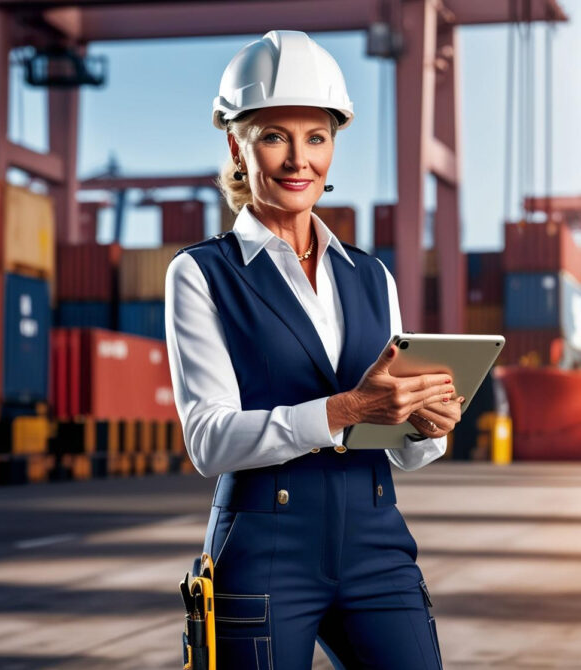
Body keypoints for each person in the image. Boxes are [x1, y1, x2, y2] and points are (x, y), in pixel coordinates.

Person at [165, 30, 463, 670]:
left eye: (317, 137)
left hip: (377, 545)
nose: (299, 160)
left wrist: (428, 426)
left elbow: (404, 448)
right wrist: (347, 408)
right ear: (236, 145)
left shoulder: (371, 276)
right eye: (274, 135)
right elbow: (208, 442)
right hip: (266, 550)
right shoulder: (200, 274)